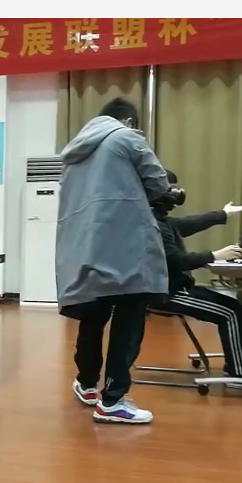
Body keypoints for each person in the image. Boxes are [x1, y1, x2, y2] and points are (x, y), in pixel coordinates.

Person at [56, 97, 170, 425]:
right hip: (125, 241)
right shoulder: (126, 137)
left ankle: (87, 384)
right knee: (129, 317)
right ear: (129, 121)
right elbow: (159, 183)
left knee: (93, 316)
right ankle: (114, 400)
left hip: (87, 244)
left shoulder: (74, 153)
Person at [151, 170, 242, 378]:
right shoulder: (153, 225)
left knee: (234, 307)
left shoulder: (162, 221)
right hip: (167, 295)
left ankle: (237, 365)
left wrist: (224, 214)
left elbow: (191, 223)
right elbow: (177, 261)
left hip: (177, 288)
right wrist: (215, 255)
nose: (176, 193)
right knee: (230, 313)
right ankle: (239, 374)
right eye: (170, 189)